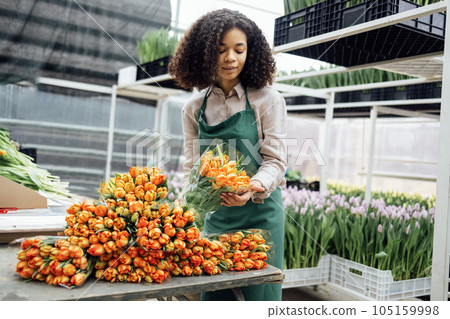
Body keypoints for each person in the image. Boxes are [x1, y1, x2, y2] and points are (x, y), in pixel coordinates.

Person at [168, 8, 287, 301]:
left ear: (251, 52)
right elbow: (192, 167)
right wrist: (186, 208)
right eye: (221, 50)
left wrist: (253, 187)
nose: (230, 58)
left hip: (261, 216)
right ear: (205, 53)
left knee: (260, 298)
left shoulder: (267, 99)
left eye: (239, 49)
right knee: (215, 297)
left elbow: (275, 161)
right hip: (217, 217)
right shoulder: (194, 107)